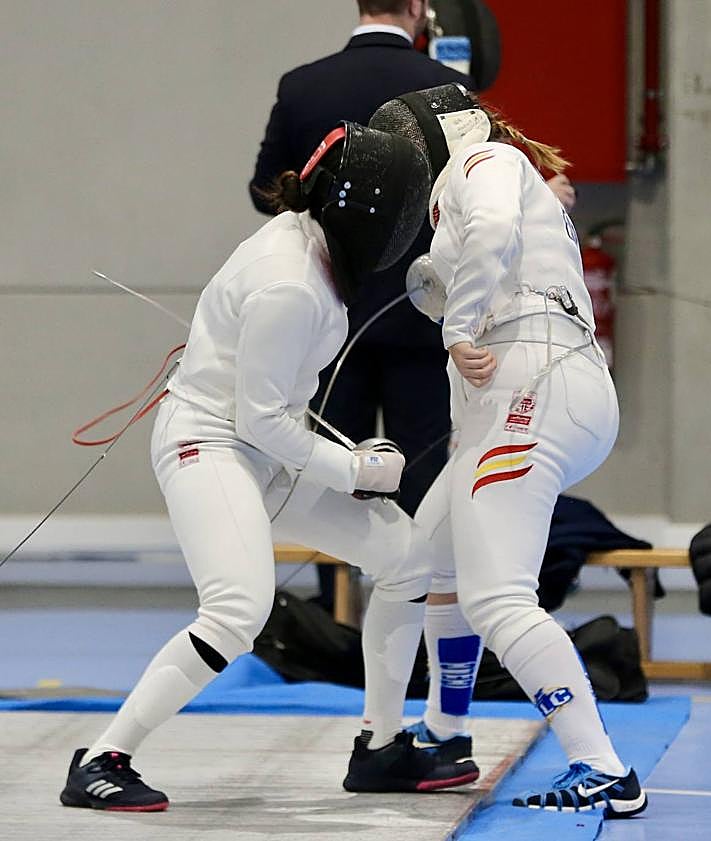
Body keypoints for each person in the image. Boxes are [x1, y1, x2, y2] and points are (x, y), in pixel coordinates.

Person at [58, 122, 479, 812]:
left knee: (404, 555)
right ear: (369, 216)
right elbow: (257, 420)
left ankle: (379, 747)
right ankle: (104, 757)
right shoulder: (290, 284)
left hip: (263, 449)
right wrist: (352, 470)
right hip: (209, 444)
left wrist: (348, 464)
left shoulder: (309, 245)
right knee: (236, 608)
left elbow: (273, 417)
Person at [369, 84, 648, 817]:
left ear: (433, 138)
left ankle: (604, 769)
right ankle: (445, 733)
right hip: (537, 389)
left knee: (497, 596)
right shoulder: (500, 177)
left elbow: (492, 227)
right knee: (432, 560)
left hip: (533, 383)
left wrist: (456, 325)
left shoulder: (483, 159)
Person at [250, 1, 576, 614]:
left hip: (328, 310)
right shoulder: (450, 88)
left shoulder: (303, 85)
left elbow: (269, 188)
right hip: (420, 312)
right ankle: (421, 604)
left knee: (330, 462)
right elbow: (476, 205)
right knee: (422, 467)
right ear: (419, 10)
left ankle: (338, 615)